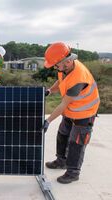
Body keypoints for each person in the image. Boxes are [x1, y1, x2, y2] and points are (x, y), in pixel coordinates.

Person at [42, 42, 100, 184]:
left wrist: (48, 121)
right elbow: (61, 80)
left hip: (84, 114)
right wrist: (50, 90)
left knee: (76, 143)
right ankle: (61, 161)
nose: (55, 67)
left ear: (67, 61)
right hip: (71, 111)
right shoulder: (65, 67)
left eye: (56, 65)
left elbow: (63, 104)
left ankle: (73, 172)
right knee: (62, 134)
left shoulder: (78, 78)